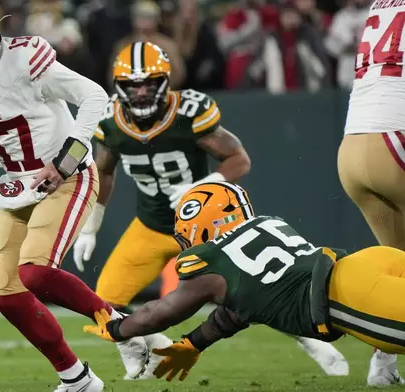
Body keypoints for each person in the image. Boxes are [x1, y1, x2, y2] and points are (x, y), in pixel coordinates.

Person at [73, 41, 346, 378]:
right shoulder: (111, 122)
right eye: (133, 85)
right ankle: (154, 345)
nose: (141, 92)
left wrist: (199, 187)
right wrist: (90, 225)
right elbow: (105, 171)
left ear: (165, 82)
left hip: (206, 229)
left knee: (255, 293)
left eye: (148, 83)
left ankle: (310, 340)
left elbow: (239, 158)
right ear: (119, 86)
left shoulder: (188, 112)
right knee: (105, 302)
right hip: (151, 226)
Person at [0, 0, 150, 390]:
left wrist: (65, 160)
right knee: (9, 296)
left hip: (67, 177)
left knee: (35, 272)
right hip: (19, 184)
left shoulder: (25, 57)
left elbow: (96, 96)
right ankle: (77, 379)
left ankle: (122, 328)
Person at [83, 181, 404, 382]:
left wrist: (117, 329)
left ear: (199, 223)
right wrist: (195, 343)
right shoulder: (267, 224)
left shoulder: (211, 258)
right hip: (367, 261)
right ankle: (385, 372)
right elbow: (246, 305)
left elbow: (163, 312)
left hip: (349, 296)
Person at [339, 0, 405, 385]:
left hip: (351, 150)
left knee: (399, 267)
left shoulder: (380, 6)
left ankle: (382, 365)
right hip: (390, 143)